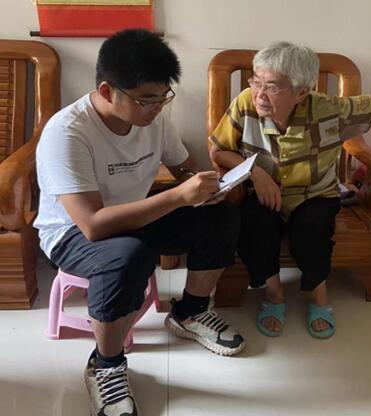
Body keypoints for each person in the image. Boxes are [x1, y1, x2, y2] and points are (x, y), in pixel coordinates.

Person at [34, 29, 244, 416]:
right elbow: (93, 224)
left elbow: (182, 167)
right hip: (71, 233)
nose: (156, 108)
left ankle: (191, 311)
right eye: (146, 100)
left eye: (164, 97)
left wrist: (203, 186)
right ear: (106, 90)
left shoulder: (155, 119)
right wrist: (178, 196)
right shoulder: (67, 133)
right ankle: (106, 364)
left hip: (134, 215)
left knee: (221, 215)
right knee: (127, 256)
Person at [209, 42, 371, 339]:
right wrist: (256, 173)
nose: (259, 93)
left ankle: (319, 297)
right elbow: (218, 150)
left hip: (315, 193)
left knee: (313, 230)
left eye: (272, 86)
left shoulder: (328, 109)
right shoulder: (244, 103)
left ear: (301, 92)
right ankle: (274, 294)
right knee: (254, 225)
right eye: (256, 81)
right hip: (263, 192)